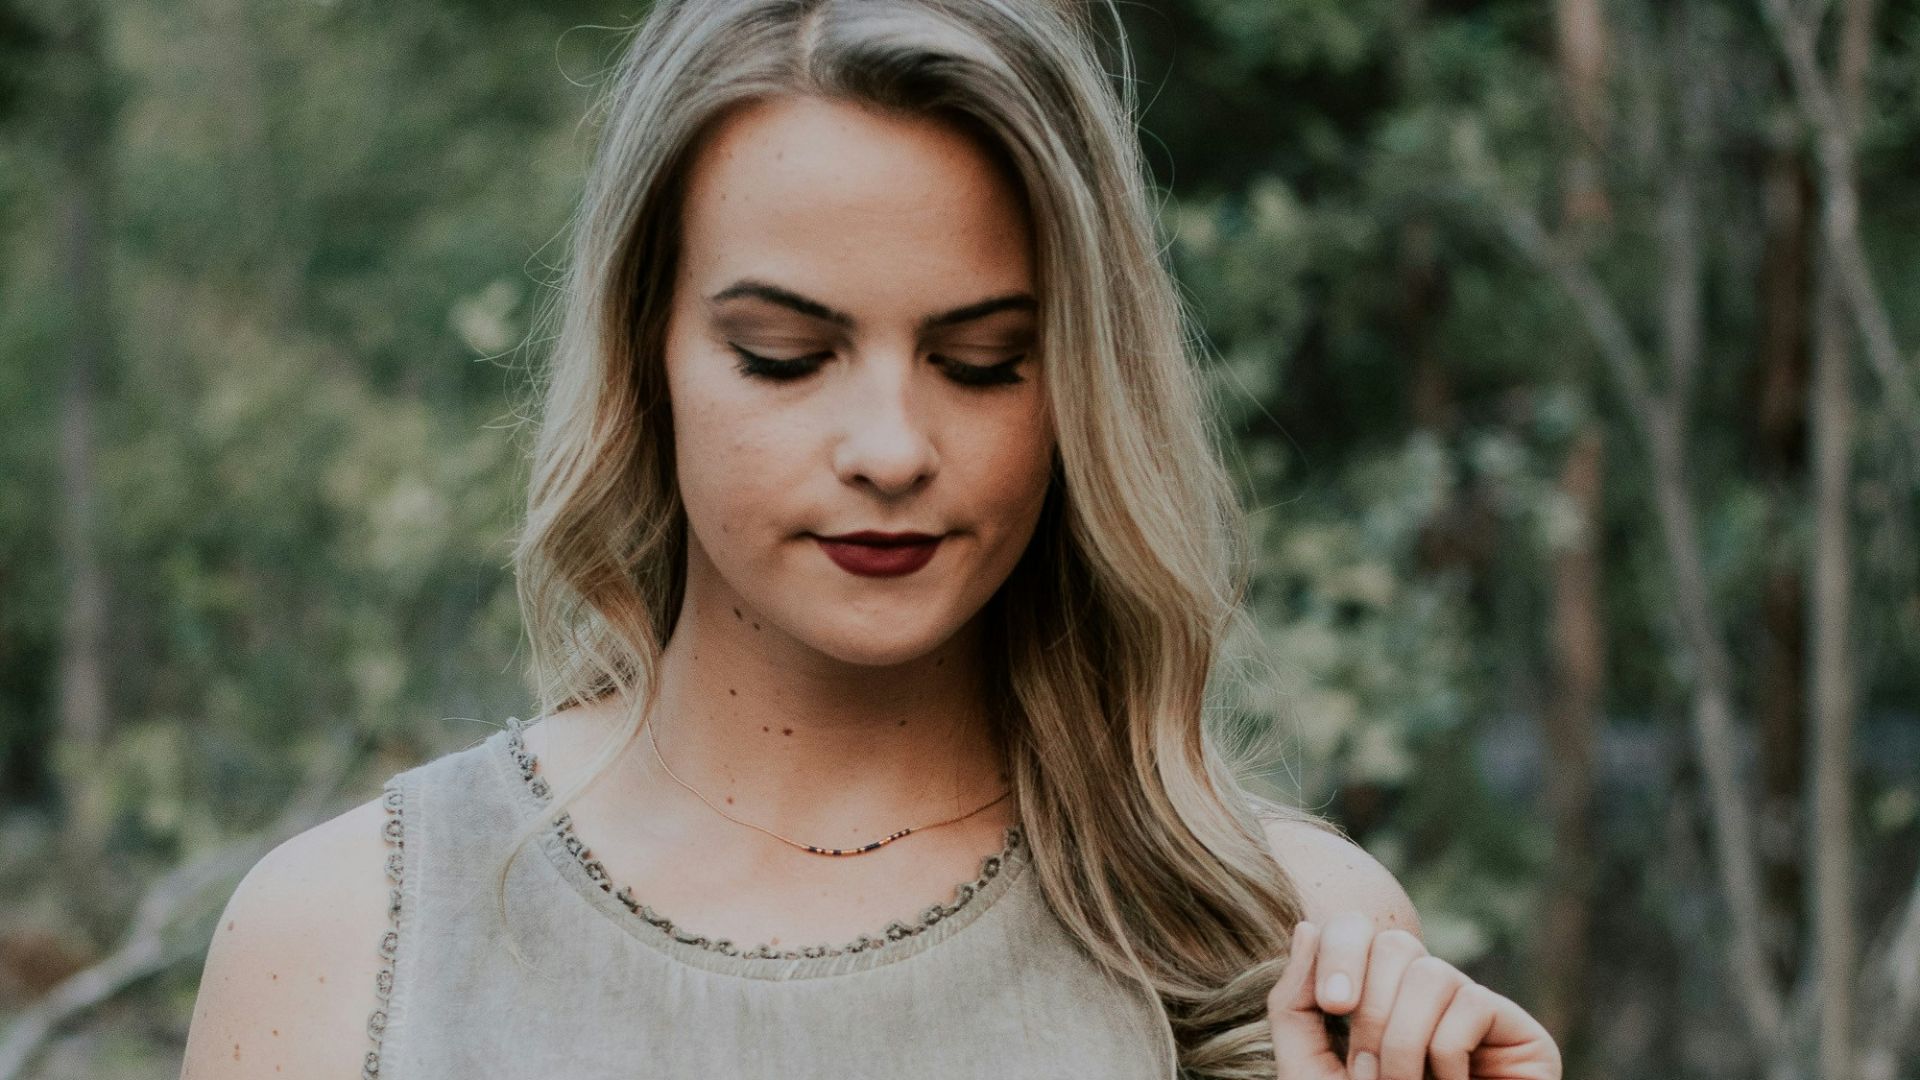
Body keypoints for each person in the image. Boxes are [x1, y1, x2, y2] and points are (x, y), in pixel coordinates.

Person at [180, 2, 1562, 1078]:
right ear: (646, 351)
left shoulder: (1289, 940)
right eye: (785, 356)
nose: (891, 449)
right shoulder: (348, 944)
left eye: (982, 361)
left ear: (1082, 385)